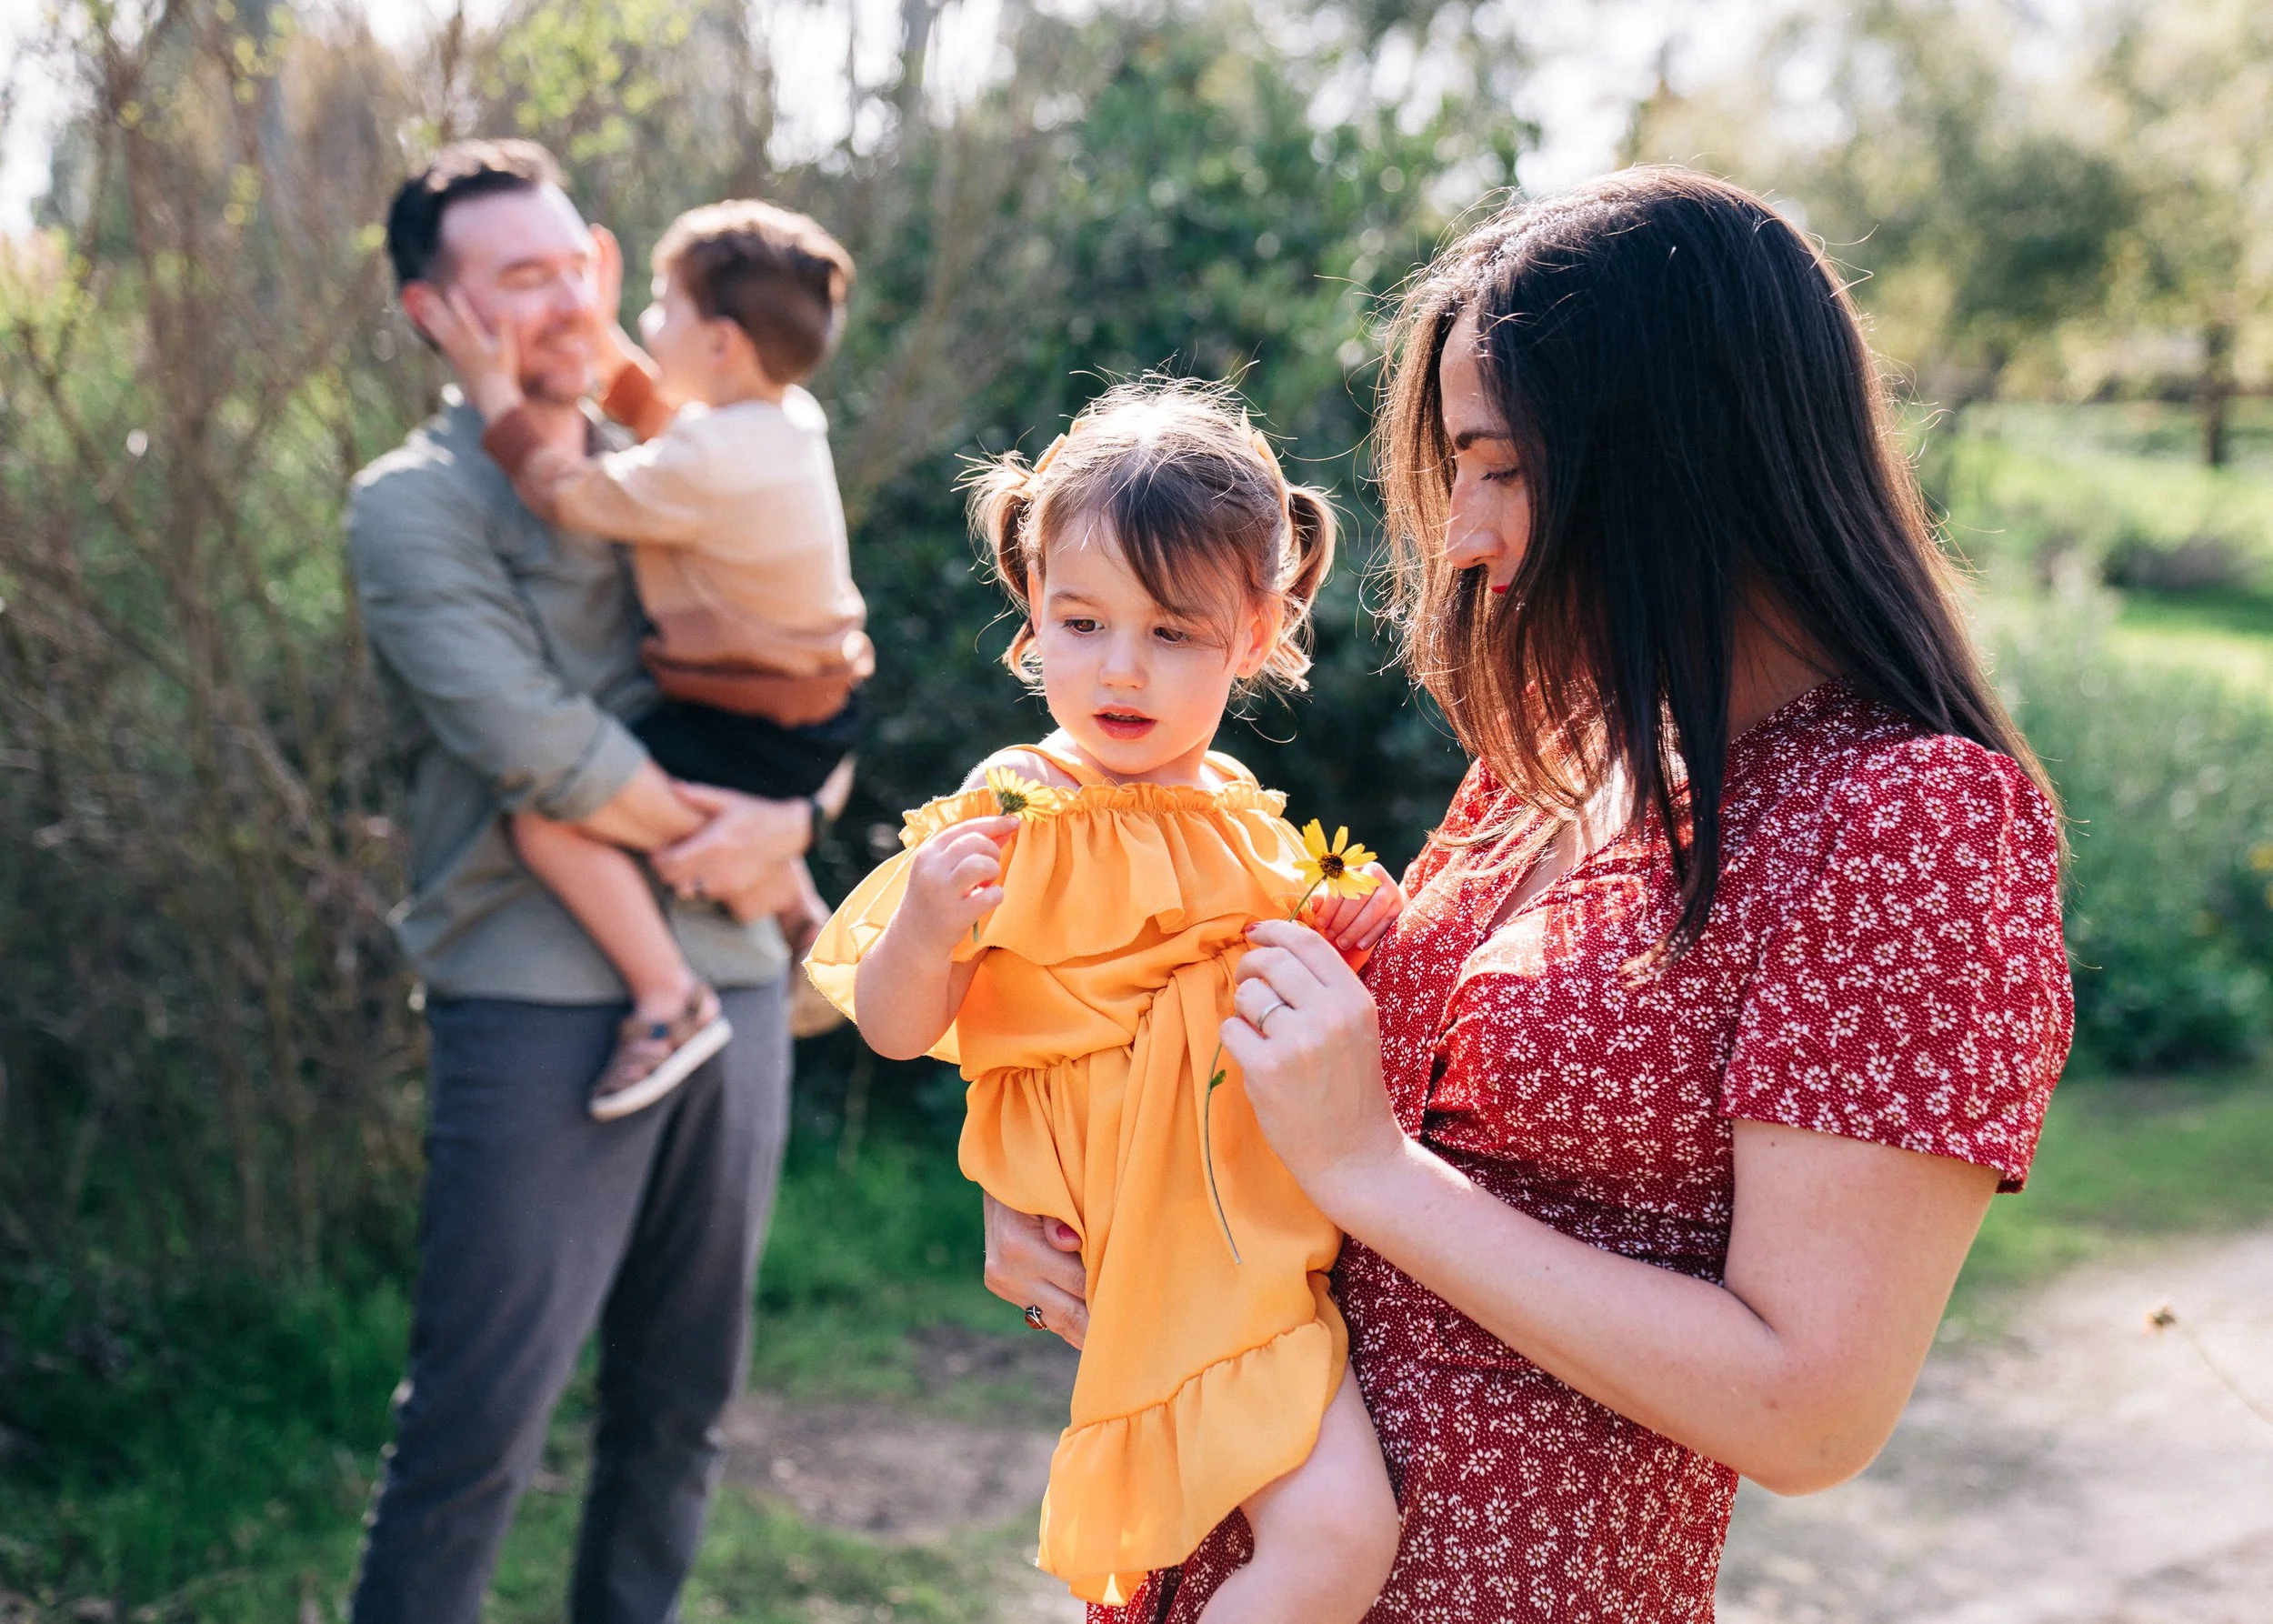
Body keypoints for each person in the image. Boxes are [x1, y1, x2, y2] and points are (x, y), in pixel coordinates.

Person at [988, 169, 2077, 1621]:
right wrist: (1071, 1194)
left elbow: (1809, 1406)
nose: (1468, 534)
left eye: (1499, 467)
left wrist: (1372, 1168)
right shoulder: (1559, 758)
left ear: (1678, 454)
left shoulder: (1905, 823)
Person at [805, 381, 1407, 1617]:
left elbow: (1274, 972)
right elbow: (896, 1023)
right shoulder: (1018, 802)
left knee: (1311, 1536)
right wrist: (924, 924)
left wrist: (1340, 923)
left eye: (1173, 634)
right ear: (1032, 616)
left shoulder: (1238, 808)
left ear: (1255, 632)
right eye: (1082, 622)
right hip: (1164, 1227)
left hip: (1248, 1214)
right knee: (1338, 1531)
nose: (1120, 668)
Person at [344, 138, 826, 1624]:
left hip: (736, 988)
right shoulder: (411, 506)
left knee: (680, 1416)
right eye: (514, 281)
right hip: (537, 1007)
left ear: (609, 266)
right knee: (475, 1429)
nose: (557, 301)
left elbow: (800, 655)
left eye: (571, 266)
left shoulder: (703, 451)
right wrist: (743, 830)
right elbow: (530, 743)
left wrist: (803, 811)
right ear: (436, 313)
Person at [421, 196, 870, 1118]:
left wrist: (494, 392)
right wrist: (607, 346)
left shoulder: (707, 460)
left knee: (550, 822)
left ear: (722, 343)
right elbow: (668, 423)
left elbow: (572, 493)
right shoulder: (782, 421)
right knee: (700, 796)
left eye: (662, 309)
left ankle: (670, 1000)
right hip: (811, 709)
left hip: (749, 718)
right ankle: (804, 923)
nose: (643, 326)